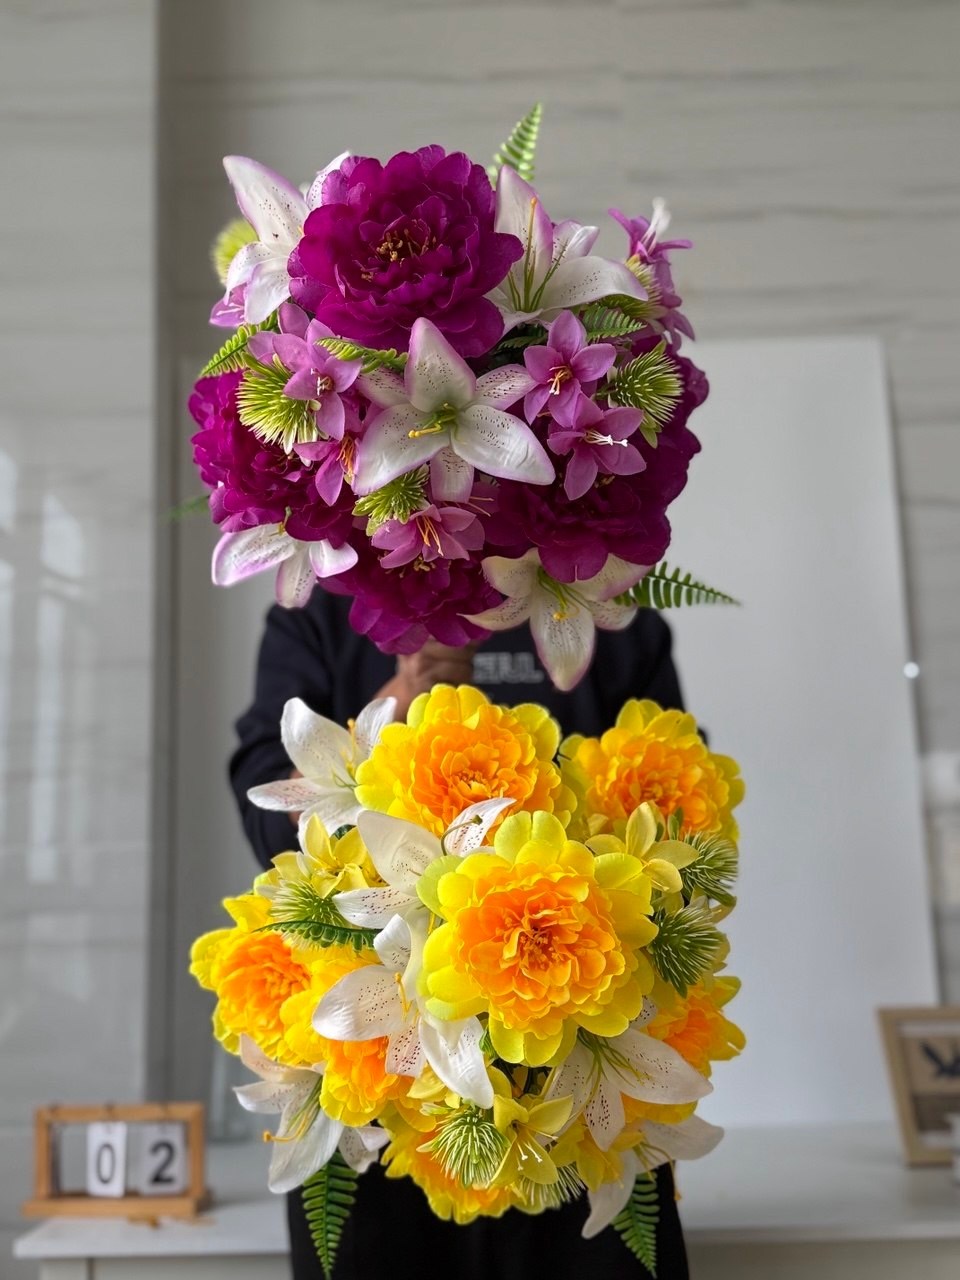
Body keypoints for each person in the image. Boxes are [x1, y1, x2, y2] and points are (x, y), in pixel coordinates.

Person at [230, 591, 690, 1280]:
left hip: (580, 1066)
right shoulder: (324, 611)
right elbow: (269, 824)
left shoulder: (606, 612)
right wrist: (400, 694)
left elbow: (686, 849)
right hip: (377, 1085)